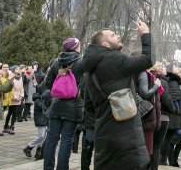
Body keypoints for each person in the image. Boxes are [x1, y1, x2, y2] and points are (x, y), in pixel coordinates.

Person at [83, 22, 153, 169]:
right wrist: (145, 34)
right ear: (105, 44)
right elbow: (148, 60)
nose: (118, 36)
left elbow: (89, 106)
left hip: (103, 135)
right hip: (125, 136)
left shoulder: (90, 71)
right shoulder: (115, 59)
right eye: (113, 35)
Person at [43, 37, 85, 170]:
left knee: (51, 139)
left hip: (57, 105)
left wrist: (59, 90)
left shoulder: (56, 62)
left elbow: (48, 83)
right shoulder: (81, 62)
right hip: (73, 105)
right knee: (66, 140)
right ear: (76, 47)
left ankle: (47, 167)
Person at [24, 81, 48, 159]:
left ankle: (39, 150)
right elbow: (44, 108)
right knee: (41, 135)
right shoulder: (38, 99)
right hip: (40, 120)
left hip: (44, 119)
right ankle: (29, 147)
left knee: (44, 136)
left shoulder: (42, 98)